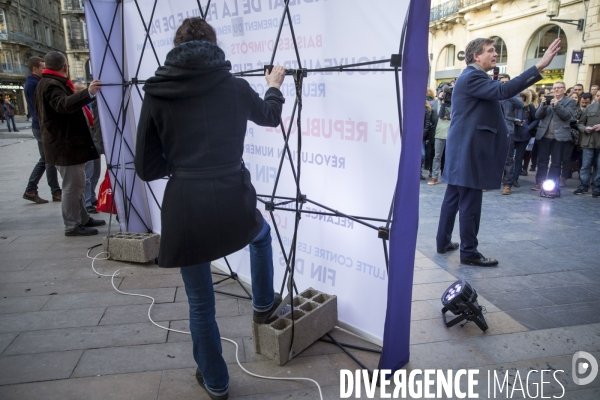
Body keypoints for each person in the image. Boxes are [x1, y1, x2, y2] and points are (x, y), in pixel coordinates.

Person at [134, 18, 286, 400]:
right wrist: (274, 88)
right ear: (214, 47)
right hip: (233, 192)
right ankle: (263, 303)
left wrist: (184, 165)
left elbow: (147, 167)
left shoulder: (158, 92)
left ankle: (216, 382)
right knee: (262, 235)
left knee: (201, 303)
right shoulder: (233, 87)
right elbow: (270, 117)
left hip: (187, 204)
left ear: (175, 48)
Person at [436, 37, 561, 267]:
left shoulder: (471, 77)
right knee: (470, 203)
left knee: (453, 197)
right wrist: (539, 66)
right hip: (469, 150)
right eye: (490, 51)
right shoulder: (473, 76)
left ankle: (443, 242)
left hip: (464, 148)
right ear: (476, 56)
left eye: (496, 50)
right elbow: (504, 90)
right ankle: (469, 253)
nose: (495, 54)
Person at [35, 51, 106, 236]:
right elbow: (63, 104)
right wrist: (88, 92)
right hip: (65, 146)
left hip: (66, 144)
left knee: (78, 186)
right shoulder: (51, 84)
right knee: (72, 188)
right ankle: (72, 225)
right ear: (65, 67)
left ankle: (82, 219)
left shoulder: (49, 83)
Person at [23, 56, 62, 204]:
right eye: (42, 67)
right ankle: (55, 191)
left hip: (38, 125)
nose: (44, 70)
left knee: (46, 159)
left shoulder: (33, 83)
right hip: (41, 126)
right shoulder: (34, 84)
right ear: (35, 69)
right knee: (49, 159)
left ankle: (32, 189)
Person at [532, 81, 577, 190]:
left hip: (560, 137)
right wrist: (542, 105)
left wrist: (557, 105)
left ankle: (550, 184)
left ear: (564, 90)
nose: (556, 90)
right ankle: (539, 182)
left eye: (559, 88)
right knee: (542, 161)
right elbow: (537, 115)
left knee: (556, 162)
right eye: (554, 88)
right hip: (544, 136)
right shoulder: (548, 99)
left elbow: (567, 116)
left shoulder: (570, 101)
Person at [73, 80, 102, 213]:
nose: (80, 92)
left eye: (81, 89)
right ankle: (88, 201)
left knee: (96, 171)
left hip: (93, 138)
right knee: (88, 173)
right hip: (85, 141)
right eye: (77, 90)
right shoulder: (76, 104)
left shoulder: (89, 102)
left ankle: (92, 196)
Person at [499, 74, 524, 195]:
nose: (504, 84)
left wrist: (508, 94)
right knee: (492, 157)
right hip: (495, 129)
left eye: (506, 82)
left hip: (508, 129)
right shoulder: (495, 93)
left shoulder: (514, 95)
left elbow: (520, 105)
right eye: (502, 82)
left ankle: (508, 184)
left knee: (508, 158)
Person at [511, 90, 538, 189]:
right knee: (509, 158)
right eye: (519, 96)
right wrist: (514, 122)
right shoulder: (512, 105)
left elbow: (536, 119)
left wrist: (528, 127)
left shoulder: (529, 107)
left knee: (519, 159)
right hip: (512, 134)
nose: (521, 98)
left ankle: (515, 179)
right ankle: (507, 178)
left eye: (522, 96)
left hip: (524, 135)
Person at [575, 96, 600, 197]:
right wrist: (585, 128)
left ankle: (597, 188)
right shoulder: (590, 107)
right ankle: (583, 186)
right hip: (589, 141)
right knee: (585, 165)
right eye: (598, 95)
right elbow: (580, 123)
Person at [429, 89, 450, 185]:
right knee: (437, 156)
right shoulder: (438, 103)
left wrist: (449, 116)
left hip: (451, 133)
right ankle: (434, 177)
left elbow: (456, 115)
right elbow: (441, 115)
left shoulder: (456, 101)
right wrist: (442, 102)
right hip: (440, 133)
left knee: (450, 157)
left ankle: (448, 176)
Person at [422, 90, 437, 180]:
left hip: (423, 136)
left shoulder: (427, 109)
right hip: (417, 135)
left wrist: (423, 134)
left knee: (423, 154)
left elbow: (427, 123)